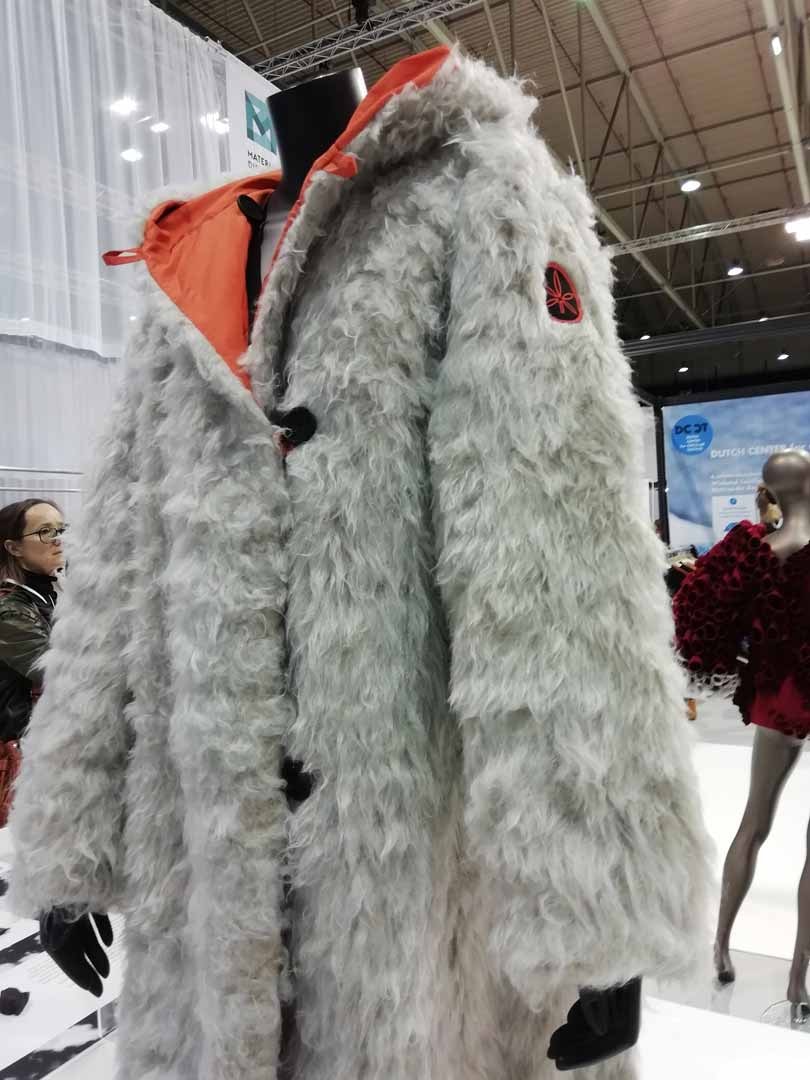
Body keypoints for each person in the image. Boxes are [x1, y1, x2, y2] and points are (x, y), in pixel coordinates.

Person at [0, 499, 65, 825]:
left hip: (44, 745)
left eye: (61, 529)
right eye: (45, 532)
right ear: (13, 547)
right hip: (23, 752)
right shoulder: (9, 609)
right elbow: (56, 673)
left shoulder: (52, 594)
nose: (59, 539)